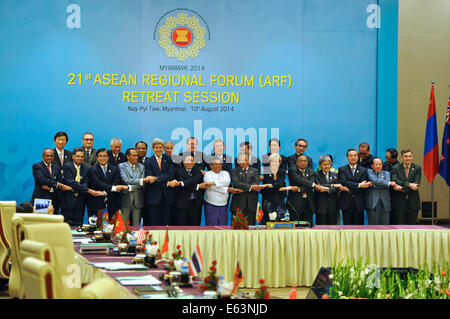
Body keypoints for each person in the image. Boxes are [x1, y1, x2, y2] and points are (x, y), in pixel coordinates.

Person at [61, 148, 103, 226]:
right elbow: (70, 182)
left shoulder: (86, 168)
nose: (80, 158)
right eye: (77, 156)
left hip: (80, 201)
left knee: (79, 224)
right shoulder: (67, 166)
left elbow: (86, 183)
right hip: (68, 200)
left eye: (81, 157)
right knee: (67, 225)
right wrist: (87, 190)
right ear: (73, 156)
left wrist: (73, 188)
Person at [88, 148, 128, 224]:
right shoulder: (92, 170)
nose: (102, 158)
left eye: (105, 156)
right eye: (100, 156)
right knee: (97, 226)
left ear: (108, 157)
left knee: (113, 226)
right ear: (97, 158)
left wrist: (105, 192)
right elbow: (97, 183)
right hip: (97, 202)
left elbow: (116, 182)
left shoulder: (115, 168)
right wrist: (112, 188)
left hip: (112, 202)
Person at [144, 138, 175, 226]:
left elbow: (171, 175)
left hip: (167, 197)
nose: (158, 149)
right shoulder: (148, 161)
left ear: (163, 148)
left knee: (166, 223)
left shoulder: (168, 159)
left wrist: (156, 178)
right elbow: (150, 179)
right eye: (156, 147)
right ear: (153, 148)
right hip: (153, 197)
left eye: (160, 147)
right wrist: (167, 183)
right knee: (154, 223)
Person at [338, 148, 372, 225]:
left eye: (355, 155)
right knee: (347, 227)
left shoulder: (364, 170)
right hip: (346, 202)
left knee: (359, 228)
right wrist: (359, 185)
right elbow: (344, 182)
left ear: (358, 157)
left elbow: (364, 187)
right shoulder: (342, 169)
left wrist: (349, 189)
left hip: (359, 203)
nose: (353, 157)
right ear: (347, 157)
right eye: (350, 156)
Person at [230, 153, 266, 225]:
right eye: (242, 160)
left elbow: (256, 182)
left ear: (248, 161)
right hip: (238, 204)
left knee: (251, 229)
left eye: (246, 160)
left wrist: (249, 187)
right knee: (237, 229)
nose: (244, 162)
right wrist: (251, 187)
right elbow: (237, 183)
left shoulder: (255, 171)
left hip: (251, 204)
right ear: (238, 162)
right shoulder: (234, 171)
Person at [287, 155, 322, 224]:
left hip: (308, 203)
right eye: (301, 161)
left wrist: (299, 189)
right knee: (295, 227)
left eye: (305, 161)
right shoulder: (292, 170)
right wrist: (312, 185)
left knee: (308, 226)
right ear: (297, 162)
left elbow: (311, 186)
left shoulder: (311, 172)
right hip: (295, 204)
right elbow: (299, 180)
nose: (303, 162)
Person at [171, 155, 204, 225]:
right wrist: (197, 186)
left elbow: (196, 180)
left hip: (196, 203)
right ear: (183, 162)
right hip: (182, 203)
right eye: (188, 160)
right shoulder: (178, 171)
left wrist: (183, 183)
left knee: (195, 226)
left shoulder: (198, 171)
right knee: (182, 225)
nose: (190, 162)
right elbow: (183, 186)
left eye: (192, 160)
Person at [201, 159, 236, 226]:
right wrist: (227, 189)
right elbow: (212, 187)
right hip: (211, 204)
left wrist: (214, 182)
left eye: (219, 164)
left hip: (223, 205)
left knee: (222, 227)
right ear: (211, 166)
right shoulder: (208, 174)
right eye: (216, 164)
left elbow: (226, 182)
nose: (218, 166)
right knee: (211, 227)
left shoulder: (225, 173)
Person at [391, 149, 421, 225]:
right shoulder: (395, 168)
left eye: (410, 156)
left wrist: (402, 188)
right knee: (400, 225)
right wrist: (409, 184)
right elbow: (395, 180)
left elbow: (416, 184)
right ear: (402, 157)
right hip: (399, 201)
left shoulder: (417, 168)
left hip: (413, 202)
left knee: (412, 226)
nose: (408, 158)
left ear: (412, 157)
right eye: (406, 156)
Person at [118, 148, 147, 226]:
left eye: (137, 156)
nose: (136, 157)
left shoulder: (142, 167)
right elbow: (125, 180)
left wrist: (130, 187)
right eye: (134, 156)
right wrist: (140, 180)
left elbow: (143, 183)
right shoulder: (121, 166)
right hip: (126, 199)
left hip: (138, 200)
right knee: (124, 225)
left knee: (136, 225)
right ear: (128, 156)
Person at [261, 154, 291, 223]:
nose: (274, 163)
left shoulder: (282, 171)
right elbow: (268, 183)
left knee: (280, 216)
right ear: (269, 162)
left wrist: (274, 186)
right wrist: (282, 188)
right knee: (268, 217)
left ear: (279, 162)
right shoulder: (266, 171)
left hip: (280, 197)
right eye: (273, 161)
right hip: (268, 196)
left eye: (276, 161)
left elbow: (280, 183)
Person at [366, 158, 397, 225]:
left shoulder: (387, 173)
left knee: (385, 225)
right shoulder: (369, 171)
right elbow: (374, 180)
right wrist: (387, 184)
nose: (378, 166)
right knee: (373, 226)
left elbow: (376, 182)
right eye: (376, 164)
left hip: (385, 202)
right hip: (373, 202)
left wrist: (375, 184)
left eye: (380, 164)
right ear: (372, 166)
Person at [314, 155, 342, 225]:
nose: (326, 166)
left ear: (331, 164)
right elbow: (318, 186)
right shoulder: (316, 174)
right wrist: (332, 185)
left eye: (328, 164)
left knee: (333, 229)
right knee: (321, 229)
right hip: (321, 207)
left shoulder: (335, 175)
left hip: (333, 207)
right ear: (320, 165)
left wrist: (326, 189)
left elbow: (337, 189)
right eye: (324, 164)